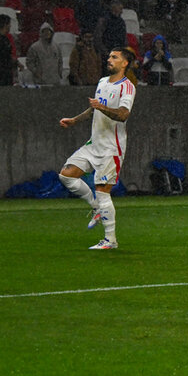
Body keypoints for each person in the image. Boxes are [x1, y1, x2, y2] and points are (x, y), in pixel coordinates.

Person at [57, 48, 137, 250]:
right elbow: (95, 107)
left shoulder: (127, 87)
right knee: (66, 175)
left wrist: (101, 107)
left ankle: (110, 240)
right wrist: (74, 120)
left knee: (103, 190)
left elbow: (123, 114)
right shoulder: (102, 82)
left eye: (114, 57)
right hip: (94, 142)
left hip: (112, 147)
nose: (109, 59)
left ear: (125, 63)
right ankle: (96, 208)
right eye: (109, 56)